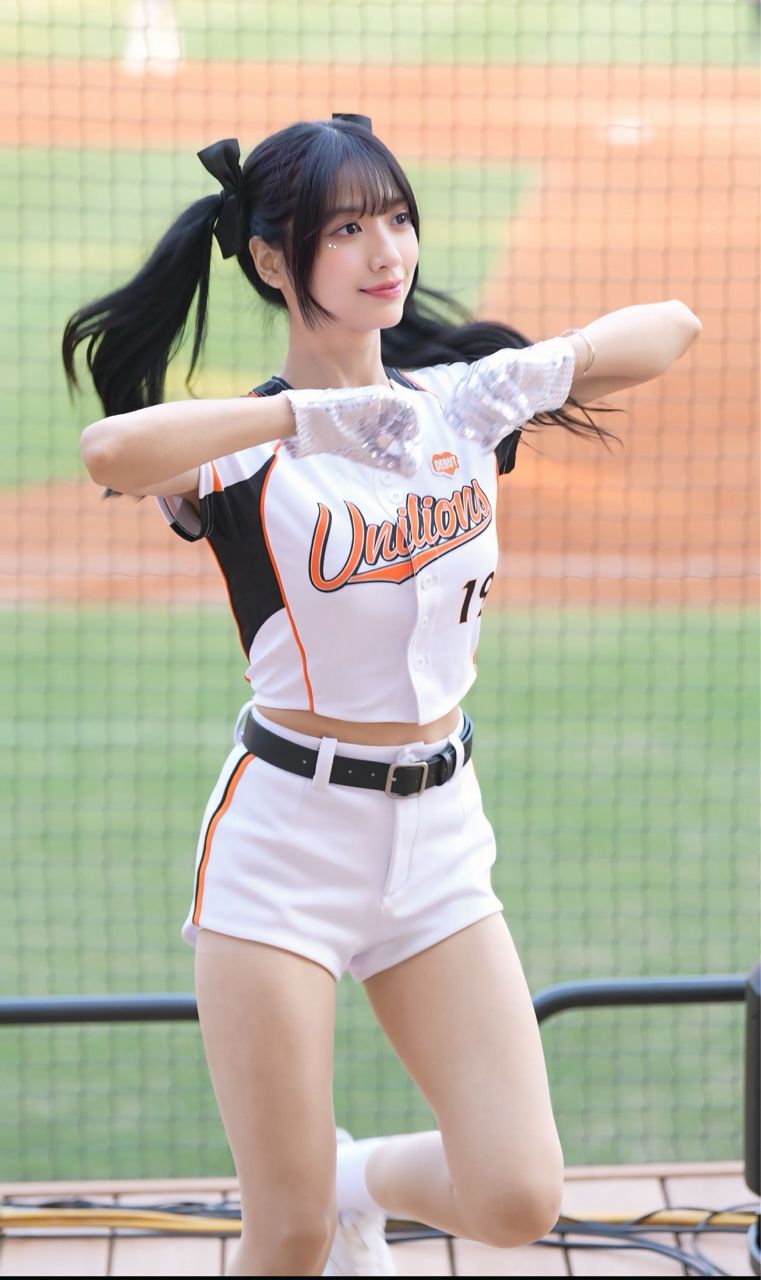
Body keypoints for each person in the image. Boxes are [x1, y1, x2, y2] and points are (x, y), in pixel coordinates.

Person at [63, 113, 702, 1277]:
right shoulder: (245, 448)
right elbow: (110, 450)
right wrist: (302, 415)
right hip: (284, 846)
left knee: (516, 1194)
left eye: (396, 219)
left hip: (437, 837)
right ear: (274, 261)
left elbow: (672, 325)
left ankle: (358, 1177)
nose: (386, 251)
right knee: (286, 1232)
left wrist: (532, 369)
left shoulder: (457, 405)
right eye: (347, 229)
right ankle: (324, 1200)